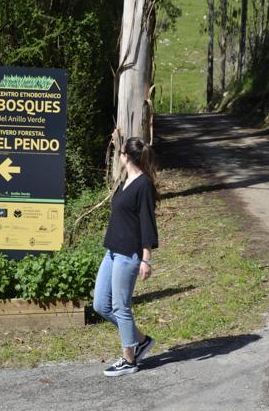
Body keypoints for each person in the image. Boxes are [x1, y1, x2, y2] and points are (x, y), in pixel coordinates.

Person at [93, 137, 159, 377]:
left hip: (129, 255)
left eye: (119, 152)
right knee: (100, 304)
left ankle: (129, 360)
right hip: (112, 251)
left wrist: (146, 258)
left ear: (126, 157)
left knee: (121, 307)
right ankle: (140, 341)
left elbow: (147, 223)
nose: (117, 156)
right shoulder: (125, 181)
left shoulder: (144, 185)